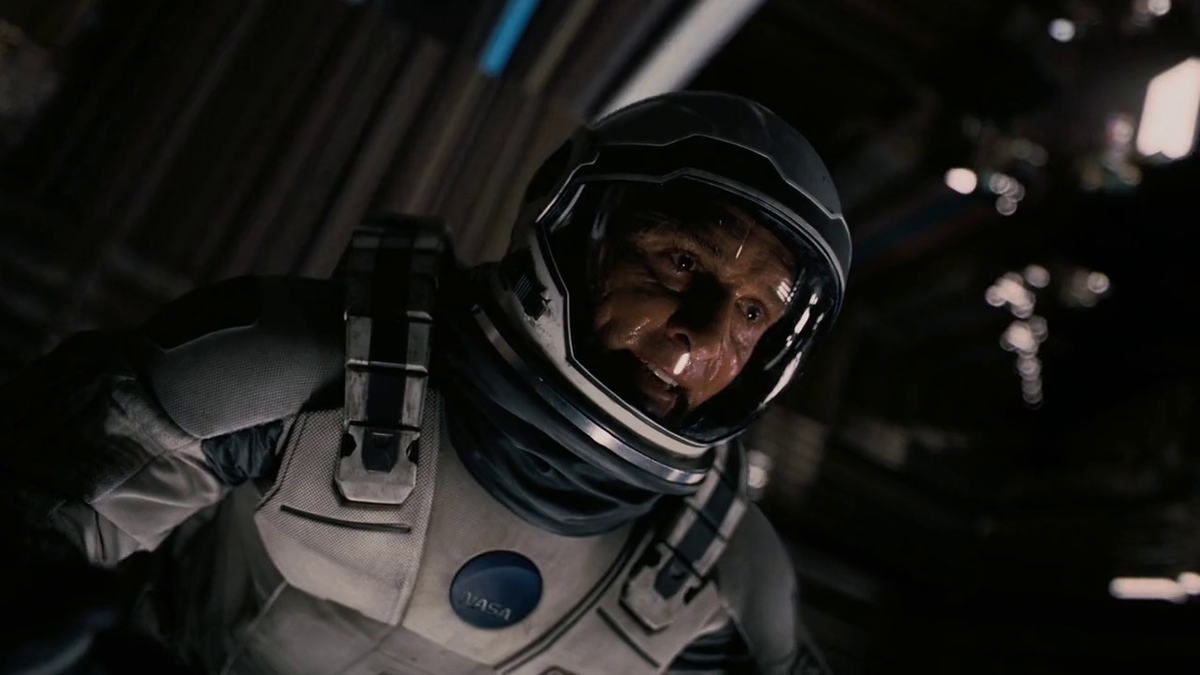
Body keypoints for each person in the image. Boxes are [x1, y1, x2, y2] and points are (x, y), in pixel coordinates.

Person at [0, 90, 850, 675]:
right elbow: (41, 501)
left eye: (752, 313)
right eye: (680, 261)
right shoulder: (295, 368)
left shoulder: (721, 576)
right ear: (573, 231)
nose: (702, 334)